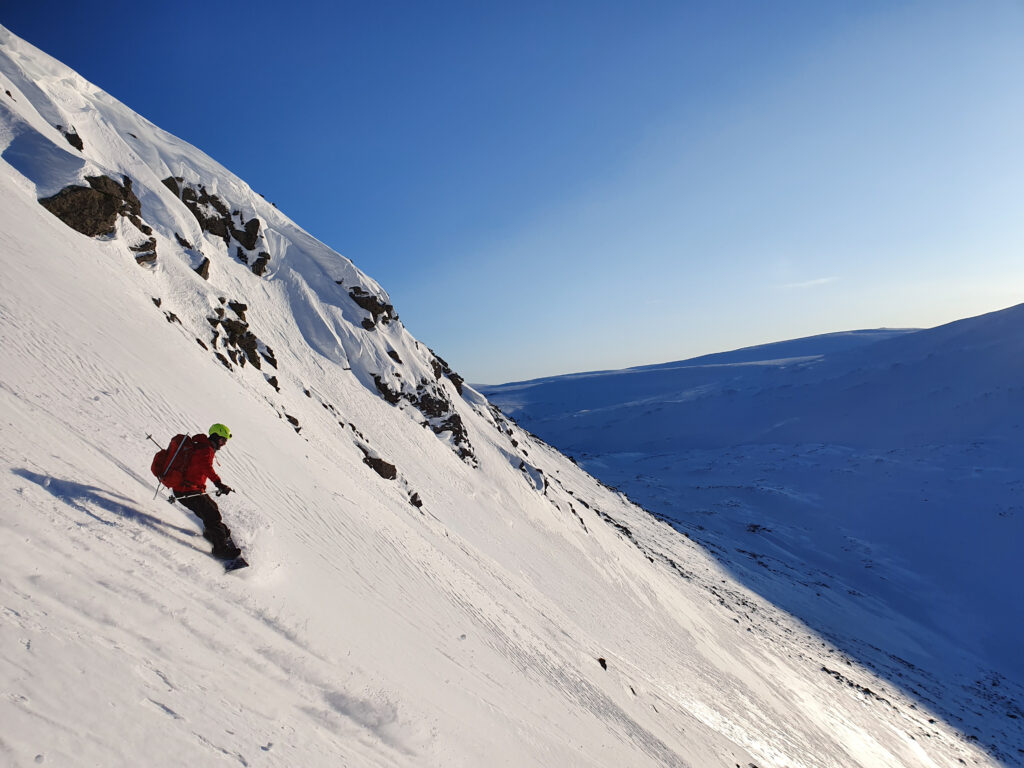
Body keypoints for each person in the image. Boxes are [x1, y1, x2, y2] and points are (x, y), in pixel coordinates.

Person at [172, 423, 241, 559]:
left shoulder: (204, 447)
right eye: (222, 440)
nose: (223, 444)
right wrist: (219, 483)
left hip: (189, 489)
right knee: (212, 515)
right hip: (186, 490)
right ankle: (220, 550)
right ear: (215, 437)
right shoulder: (206, 450)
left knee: (211, 510)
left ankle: (212, 533)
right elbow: (206, 468)